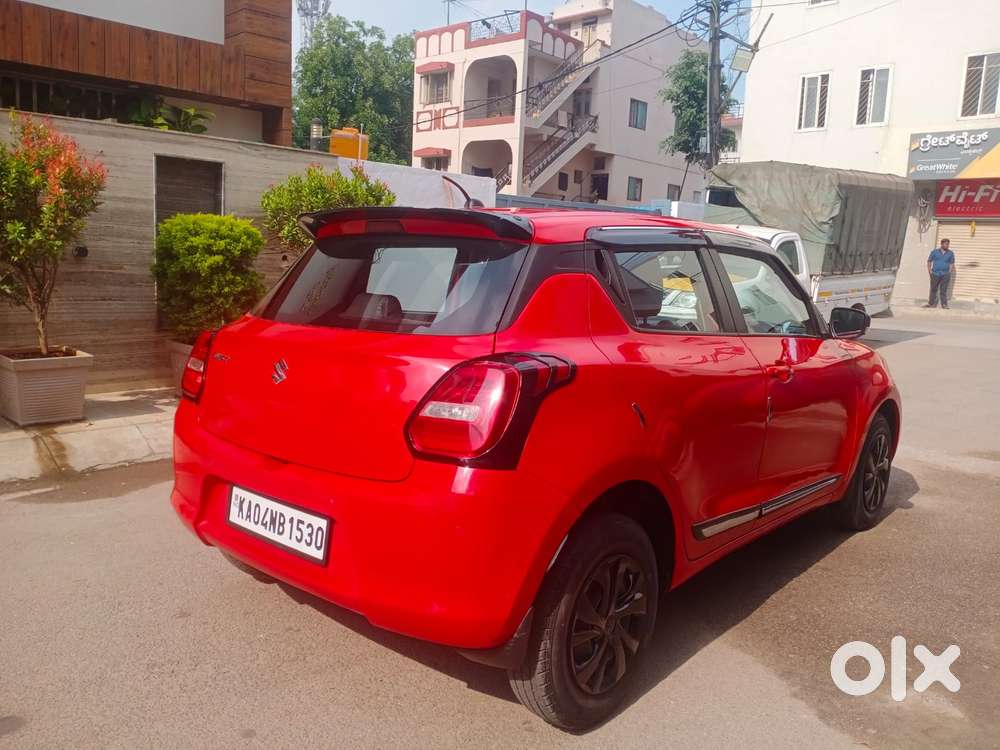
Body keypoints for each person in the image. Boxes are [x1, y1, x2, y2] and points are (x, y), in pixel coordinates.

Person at [925, 238, 955, 309]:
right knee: (933, 289)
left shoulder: (950, 253)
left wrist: (949, 272)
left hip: (945, 274)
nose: (947, 245)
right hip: (935, 273)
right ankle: (931, 304)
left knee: (943, 290)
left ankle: (944, 305)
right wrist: (930, 271)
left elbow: (952, 263)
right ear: (941, 244)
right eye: (946, 244)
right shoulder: (934, 252)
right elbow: (929, 261)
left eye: (948, 244)